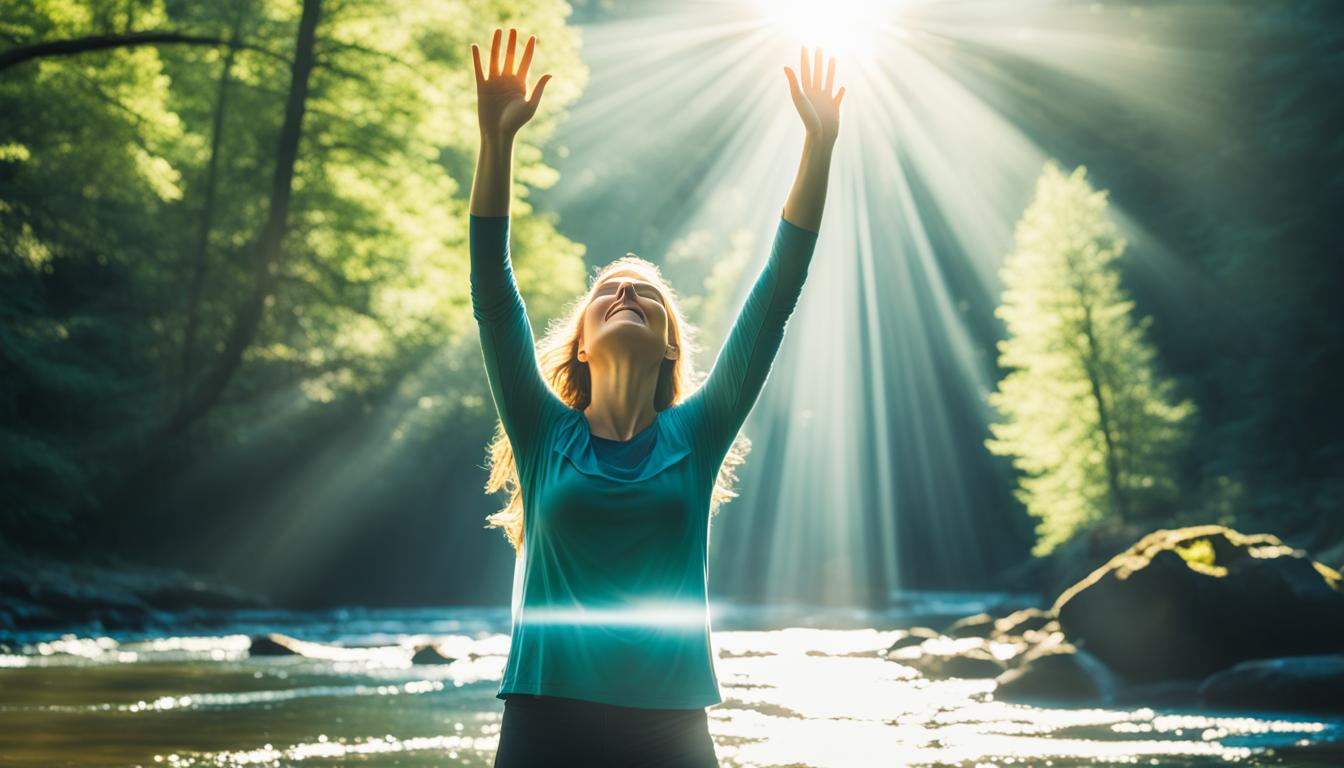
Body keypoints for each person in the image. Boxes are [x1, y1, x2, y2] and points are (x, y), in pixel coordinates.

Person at [469, 26, 844, 768]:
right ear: (579, 342)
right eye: (608, 291)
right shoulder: (544, 434)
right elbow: (491, 291)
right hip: (546, 715)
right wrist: (496, 143)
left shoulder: (696, 436)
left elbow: (775, 295)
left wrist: (819, 147)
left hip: (668, 725)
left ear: (671, 343)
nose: (628, 291)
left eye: (646, 293)